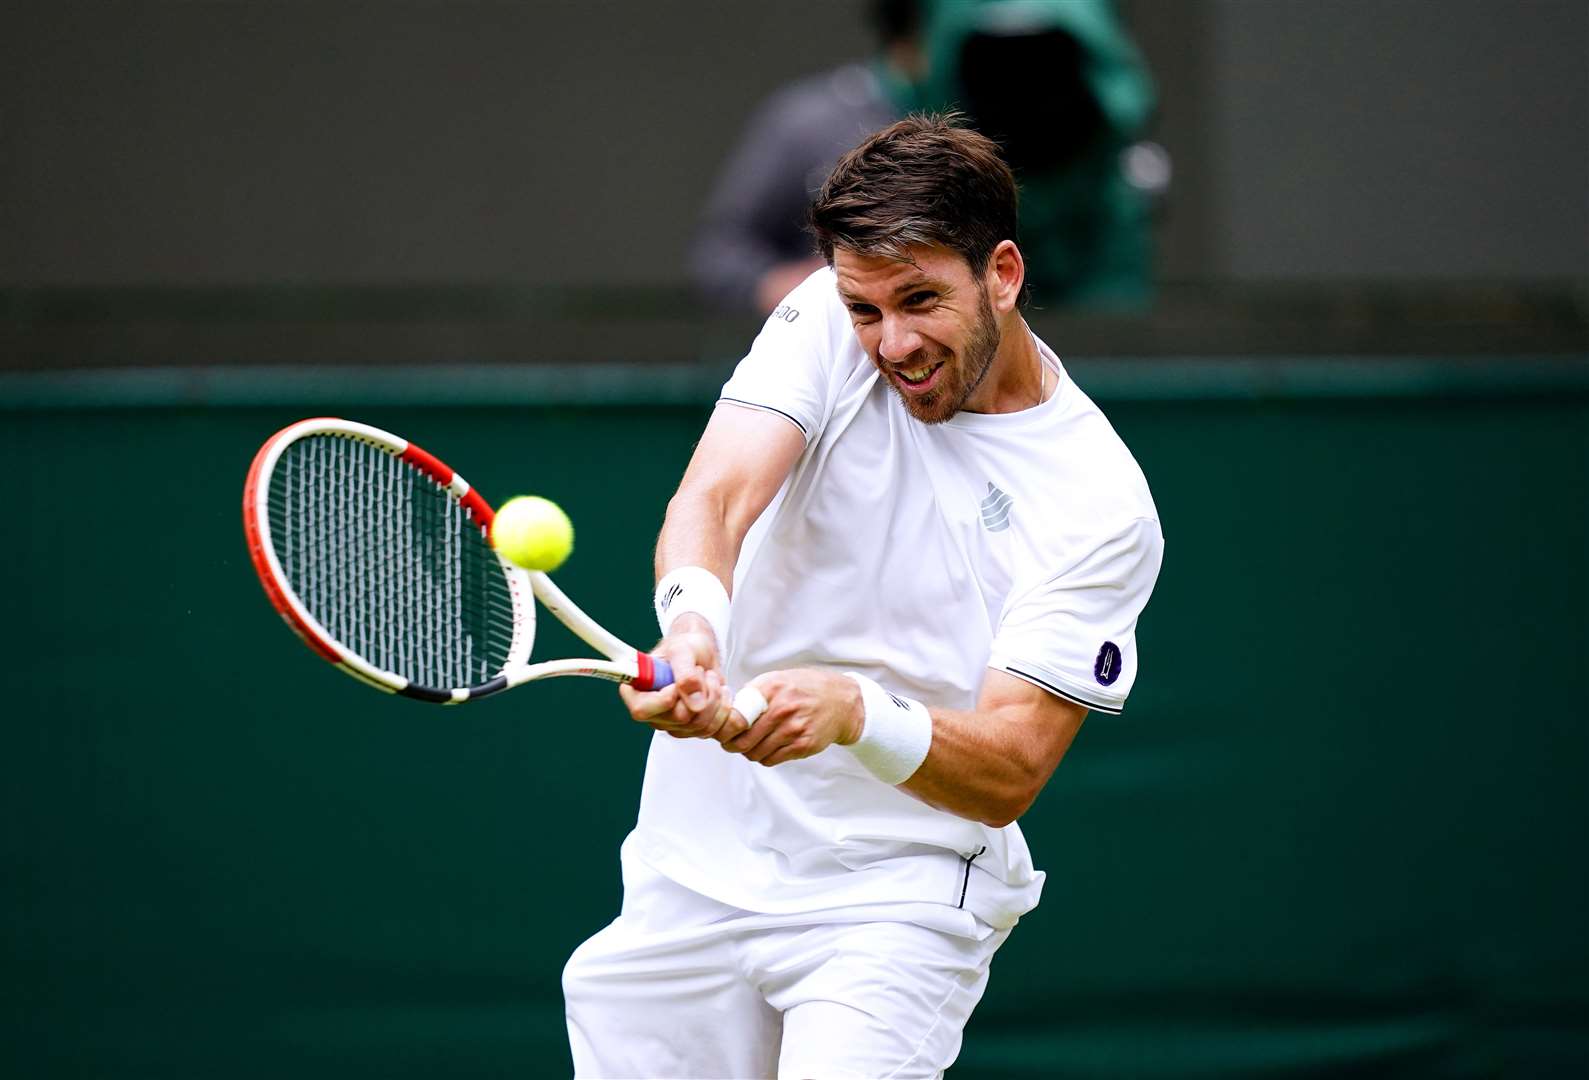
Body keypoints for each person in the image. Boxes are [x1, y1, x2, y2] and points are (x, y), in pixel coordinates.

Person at [564, 115, 1164, 1079]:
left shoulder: (1099, 504)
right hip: (694, 872)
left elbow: (1011, 767)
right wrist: (694, 625)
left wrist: (855, 714)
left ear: (1001, 275)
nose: (891, 342)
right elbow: (714, 498)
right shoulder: (822, 321)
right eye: (865, 309)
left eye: (921, 300)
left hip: (897, 899)